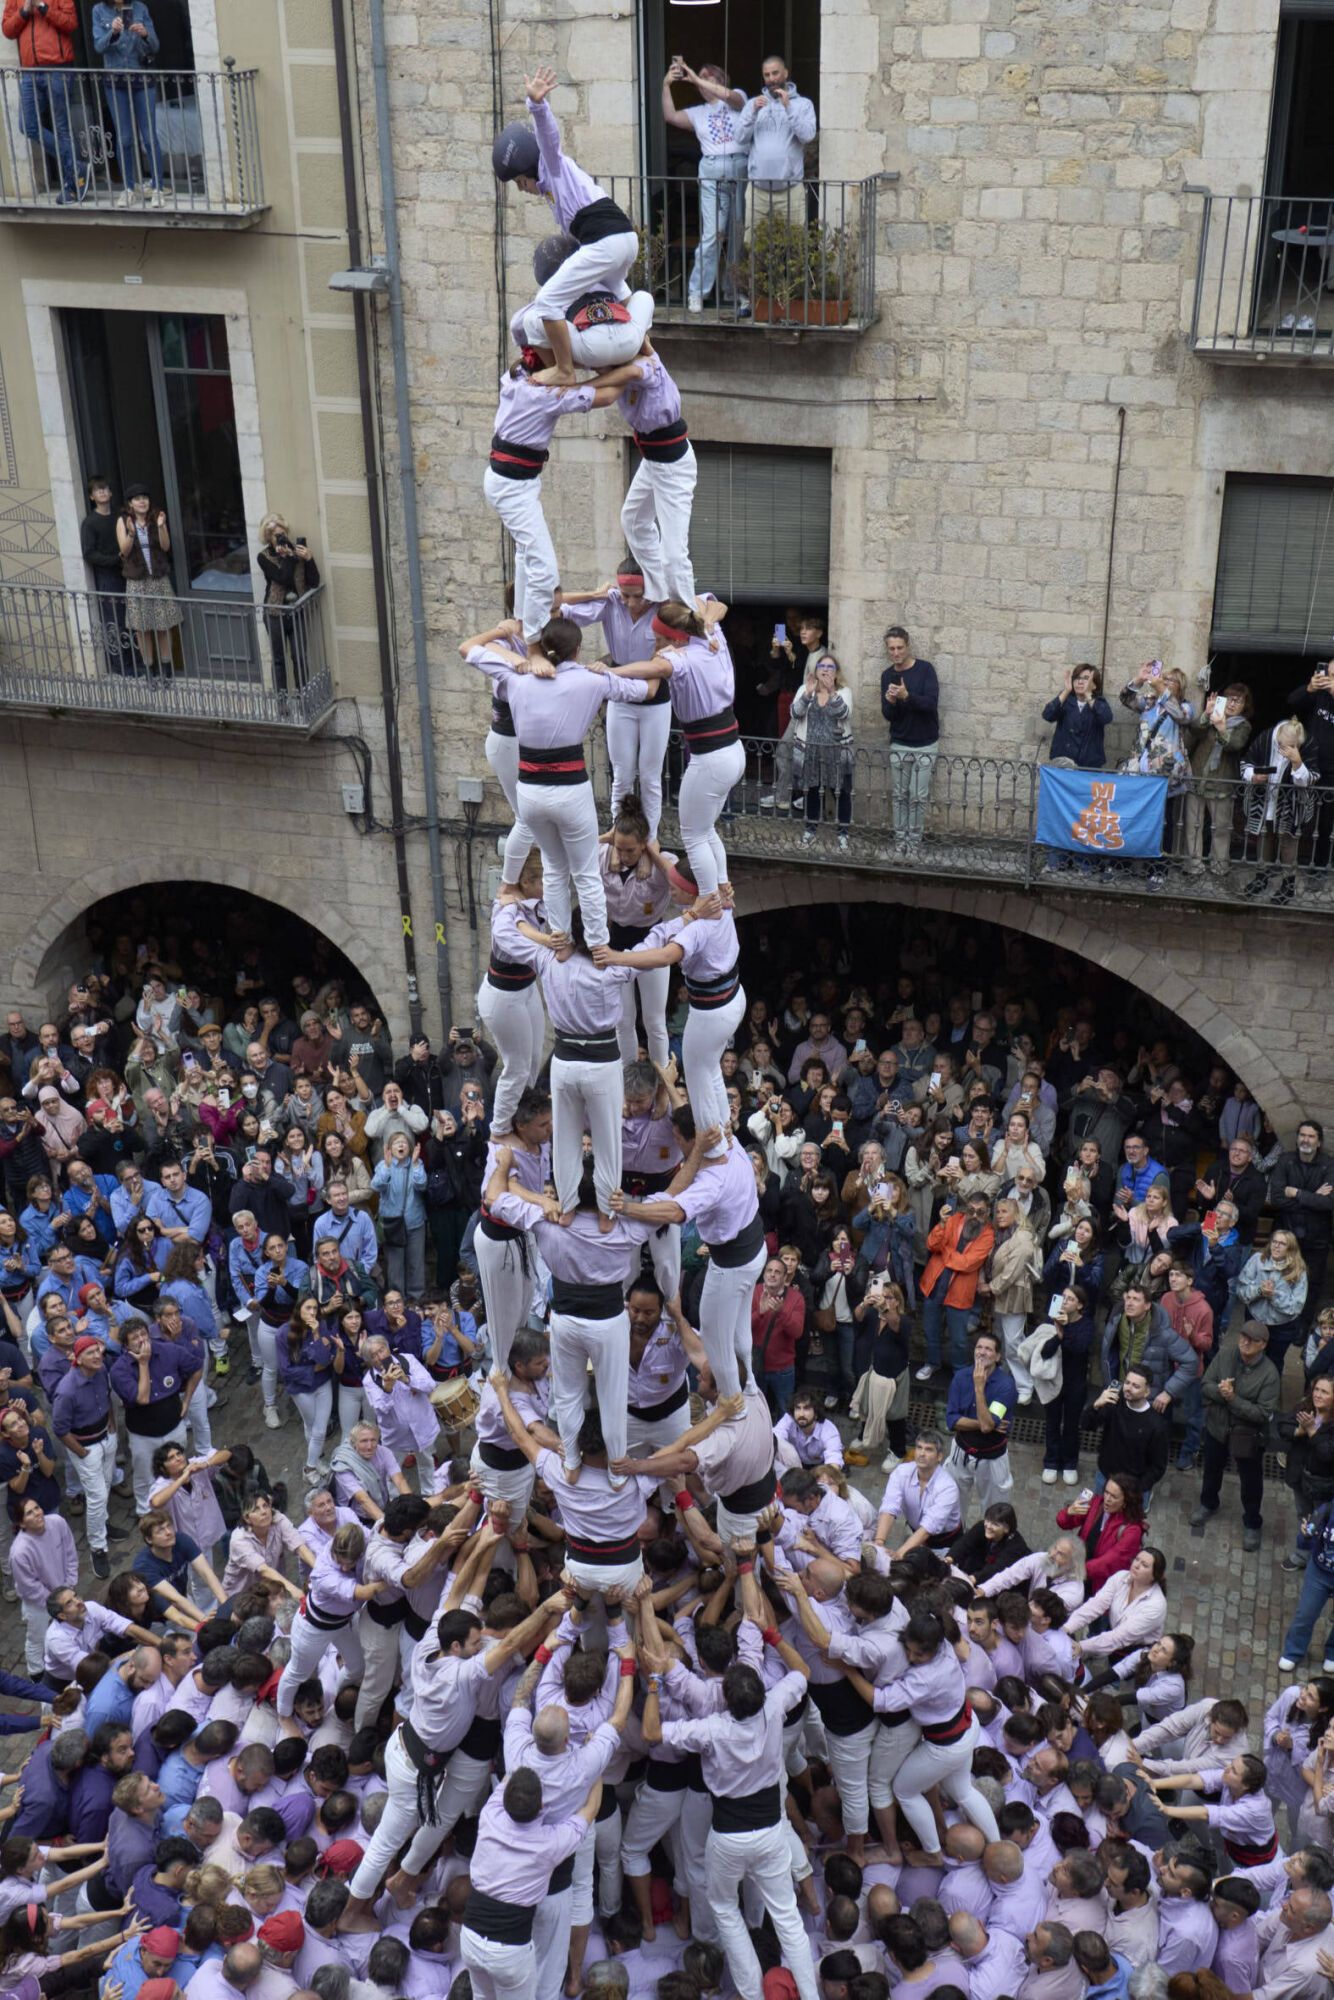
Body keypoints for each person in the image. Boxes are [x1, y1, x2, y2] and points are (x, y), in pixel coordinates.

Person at [492, 64, 641, 387]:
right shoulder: (556, 191)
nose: (523, 189)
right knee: (617, 289)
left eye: (520, 181)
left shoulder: (553, 168)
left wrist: (536, 105)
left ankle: (564, 370)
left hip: (608, 243)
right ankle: (646, 352)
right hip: (625, 241)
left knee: (547, 303)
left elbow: (549, 138)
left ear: (528, 169)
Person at [661, 60, 749, 313]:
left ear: (721, 81)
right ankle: (697, 291)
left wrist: (696, 78)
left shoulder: (738, 99)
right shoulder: (698, 112)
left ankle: (735, 289)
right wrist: (666, 84)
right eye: (700, 77)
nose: (701, 80)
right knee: (713, 234)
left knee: (739, 234)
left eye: (709, 77)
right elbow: (670, 116)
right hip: (711, 170)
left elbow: (733, 97)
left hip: (739, 167)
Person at [615, 348, 696, 607]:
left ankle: (685, 614)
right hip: (652, 461)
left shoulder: (646, 367)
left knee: (673, 555)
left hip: (674, 467)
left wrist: (574, 383)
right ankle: (660, 591)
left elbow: (605, 392)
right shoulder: (618, 368)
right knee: (633, 520)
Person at [1192, 1320, 1280, 1553]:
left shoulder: (1270, 1374)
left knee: (1251, 1481)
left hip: (1247, 1436)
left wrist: (1233, 1399)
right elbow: (1206, 1385)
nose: (1245, 1342)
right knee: (1211, 1469)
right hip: (1217, 1427)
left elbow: (1263, 1413)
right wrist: (1223, 1394)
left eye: (1251, 1339)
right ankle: (1208, 1503)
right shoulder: (1226, 1355)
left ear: (1263, 1345)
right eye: (1243, 1336)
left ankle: (1252, 1522)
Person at [3, 0, 82, 203]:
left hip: (58, 68)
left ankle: (73, 186)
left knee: (61, 128)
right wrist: (24, 11)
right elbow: (7, 30)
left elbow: (70, 23)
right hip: (30, 72)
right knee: (27, 126)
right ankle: (77, 166)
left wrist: (44, 7)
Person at [92, 1, 164, 205]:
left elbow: (155, 45)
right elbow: (98, 46)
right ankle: (128, 188)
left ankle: (158, 188)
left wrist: (145, 34)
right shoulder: (98, 11)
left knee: (149, 136)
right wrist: (113, 33)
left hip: (141, 77)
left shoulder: (140, 8)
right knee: (124, 138)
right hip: (115, 80)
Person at [734, 55, 817, 226]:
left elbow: (808, 136)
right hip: (758, 191)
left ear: (785, 73)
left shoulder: (803, 104)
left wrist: (789, 107)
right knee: (754, 247)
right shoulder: (752, 104)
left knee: (794, 247)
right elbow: (740, 138)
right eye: (767, 75)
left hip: (791, 190)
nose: (771, 79)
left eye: (775, 73)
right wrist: (753, 112)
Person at [1183, 682, 1253, 874]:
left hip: (1222, 783)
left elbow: (1234, 746)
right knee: (1193, 826)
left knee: (1221, 829)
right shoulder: (1211, 718)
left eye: (1238, 702)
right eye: (1230, 699)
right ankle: (1194, 866)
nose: (1232, 704)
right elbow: (1194, 731)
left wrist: (1222, 729)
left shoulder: (1242, 725)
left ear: (1244, 706)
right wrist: (1207, 714)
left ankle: (1219, 866)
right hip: (1197, 778)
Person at [880, 626, 940, 850]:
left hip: (925, 744)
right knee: (899, 796)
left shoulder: (925, 670)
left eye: (899, 647)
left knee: (917, 796)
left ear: (908, 646)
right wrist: (893, 702)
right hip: (899, 743)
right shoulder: (887, 675)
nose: (896, 653)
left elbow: (930, 704)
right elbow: (888, 715)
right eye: (891, 649)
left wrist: (907, 696)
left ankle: (914, 843)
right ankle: (900, 841)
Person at [945, 1330, 1016, 1515]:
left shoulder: (1006, 1386)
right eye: (979, 1347)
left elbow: (987, 1426)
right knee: (950, 1505)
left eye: (988, 1349)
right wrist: (986, 1424)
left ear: (998, 1356)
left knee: (996, 1512)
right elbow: (952, 1420)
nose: (982, 1352)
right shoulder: (961, 1377)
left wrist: (978, 1387)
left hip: (992, 1458)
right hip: (961, 1452)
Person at [116, 487, 180, 677]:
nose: (142, 501)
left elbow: (166, 546)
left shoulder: (156, 518)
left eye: (145, 497)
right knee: (142, 630)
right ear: (130, 503)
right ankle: (150, 671)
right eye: (137, 499)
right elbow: (124, 551)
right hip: (137, 582)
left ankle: (166, 671)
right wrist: (131, 533)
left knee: (163, 626)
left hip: (158, 580)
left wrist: (161, 527)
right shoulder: (123, 521)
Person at [792, 658, 855, 851]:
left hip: (837, 752)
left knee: (841, 792)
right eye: (822, 666)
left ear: (836, 672)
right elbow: (795, 713)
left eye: (830, 667)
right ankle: (810, 830)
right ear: (816, 670)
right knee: (811, 791)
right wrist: (808, 694)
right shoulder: (805, 689)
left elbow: (844, 713)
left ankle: (843, 833)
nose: (825, 670)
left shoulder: (844, 692)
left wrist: (832, 692)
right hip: (810, 750)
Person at [256, 516, 321, 693]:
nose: (281, 538)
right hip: (275, 613)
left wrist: (309, 559)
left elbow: (314, 582)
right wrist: (289, 558)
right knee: (278, 659)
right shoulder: (264, 557)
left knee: (299, 656)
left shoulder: (296, 551)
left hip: (296, 611)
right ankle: (282, 700)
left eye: (282, 534)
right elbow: (283, 578)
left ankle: (303, 697)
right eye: (276, 536)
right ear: (268, 538)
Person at [1042, 664, 1113, 768]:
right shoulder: (1066, 700)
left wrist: (1088, 695)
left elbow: (1106, 718)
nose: (1079, 682)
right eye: (1076, 678)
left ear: (1094, 685)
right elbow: (1047, 715)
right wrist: (1066, 691)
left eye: (1085, 678)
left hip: (1088, 767)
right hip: (1063, 765)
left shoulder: (1099, 702)